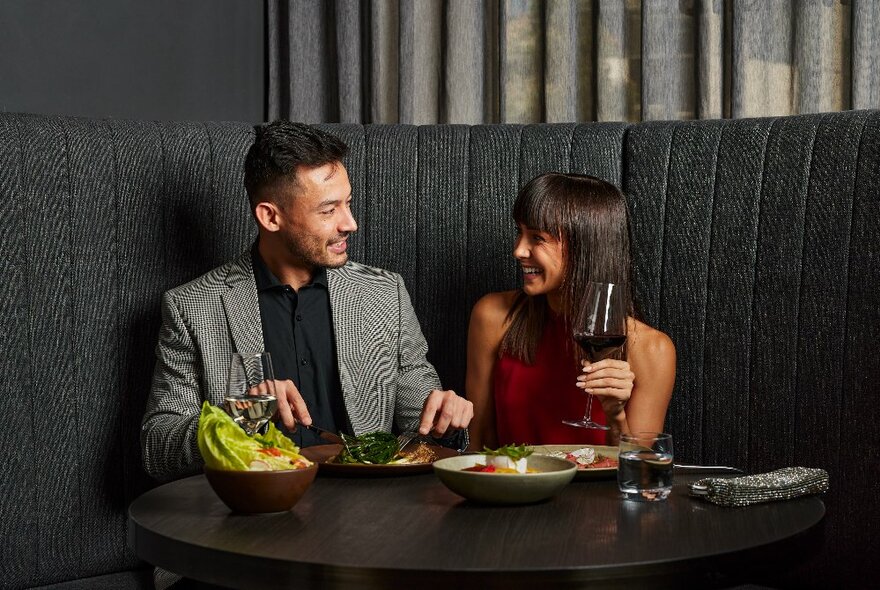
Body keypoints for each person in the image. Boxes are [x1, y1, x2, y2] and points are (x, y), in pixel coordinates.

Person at [142, 121, 473, 481]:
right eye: (329, 210)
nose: (350, 223)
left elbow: (419, 414)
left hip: (365, 516)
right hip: (254, 519)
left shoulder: (384, 293)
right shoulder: (191, 307)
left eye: (348, 203)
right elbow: (157, 449)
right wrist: (239, 416)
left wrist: (444, 417)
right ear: (270, 216)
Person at [466, 173, 675, 450]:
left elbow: (641, 475)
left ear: (584, 247)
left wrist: (616, 417)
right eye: (520, 232)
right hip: (509, 489)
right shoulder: (492, 316)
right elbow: (478, 445)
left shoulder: (652, 349)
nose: (519, 250)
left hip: (594, 494)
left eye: (537, 238)